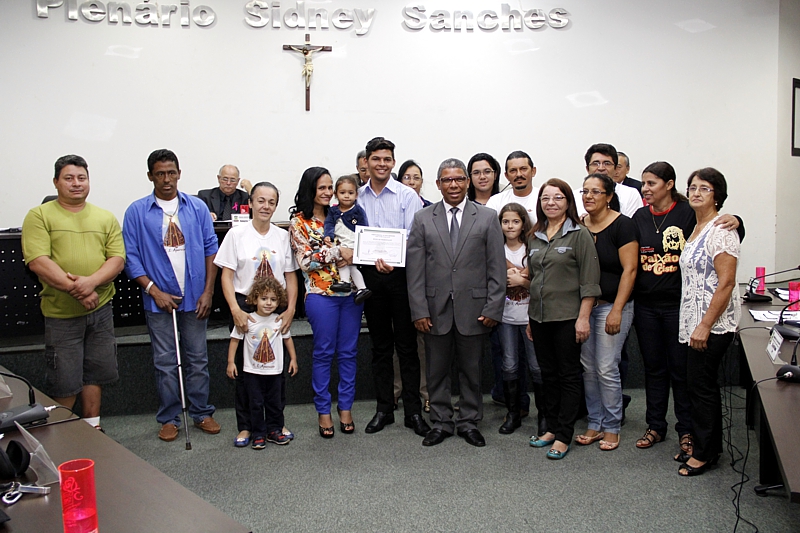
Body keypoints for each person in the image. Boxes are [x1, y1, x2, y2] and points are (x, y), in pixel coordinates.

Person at [631, 161, 742, 453]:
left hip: (679, 307)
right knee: (654, 369)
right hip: (646, 306)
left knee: (683, 372)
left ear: (669, 185)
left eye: (652, 183)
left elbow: (722, 234)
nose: (645, 189)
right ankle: (655, 426)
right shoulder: (640, 216)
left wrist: (738, 219)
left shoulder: (687, 213)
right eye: (643, 183)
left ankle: (688, 431)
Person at [21, 154, 125, 431]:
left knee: (96, 373)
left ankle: (92, 428)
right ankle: (64, 436)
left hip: (101, 310)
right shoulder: (39, 215)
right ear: (56, 182)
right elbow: (38, 261)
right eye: (69, 178)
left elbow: (116, 259)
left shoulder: (105, 217)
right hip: (62, 314)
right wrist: (78, 290)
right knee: (65, 378)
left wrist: (90, 284)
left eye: (81, 178)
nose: (76, 183)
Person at [123, 149, 221, 442]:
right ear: (150, 176)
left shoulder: (197, 208)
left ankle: (202, 412)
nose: (167, 180)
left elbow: (210, 248)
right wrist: (154, 290)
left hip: (195, 297)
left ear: (179, 173)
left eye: (172, 172)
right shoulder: (136, 212)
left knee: (197, 358)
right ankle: (169, 418)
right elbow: (131, 257)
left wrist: (208, 291)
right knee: (165, 361)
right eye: (160, 173)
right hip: (158, 300)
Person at [407, 158, 505, 447]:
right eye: (447, 180)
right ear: (438, 184)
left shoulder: (487, 217)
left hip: (474, 310)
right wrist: (419, 310)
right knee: (436, 371)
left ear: (467, 182)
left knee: (471, 371)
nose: (453, 185)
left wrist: (493, 307)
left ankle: (469, 421)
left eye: (459, 179)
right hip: (434, 311)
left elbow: (496, 268)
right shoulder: (423, 218)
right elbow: (415, 271)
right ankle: (440, 421)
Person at [355, 137, 430, 437]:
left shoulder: (407, 195)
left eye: (387, 159)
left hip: (402, 278)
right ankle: (384, 408)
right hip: (370, 278)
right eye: (376, 159)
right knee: (380, 347)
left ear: (393, 162)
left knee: (407, 346)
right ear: (367, 163)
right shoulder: (356, 197)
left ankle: (413, 411)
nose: (382, 164)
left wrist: (393, 260)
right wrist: (372, 260)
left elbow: (415, 238)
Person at [214, 181, 298, 447]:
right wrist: (235, 309)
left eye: (271, 202)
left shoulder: (282, 236)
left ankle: (275, 423)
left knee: (275, 370)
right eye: (260, 200)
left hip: (276, 305)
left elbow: (290, 276)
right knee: (245, 372)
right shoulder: (236, 235)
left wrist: (291, 308)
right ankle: (247, 426)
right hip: (244, 306)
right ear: (250, 202)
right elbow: (226, 276)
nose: (266, 206)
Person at [527, 178, 601, 460]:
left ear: (568, 202)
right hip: (539, 317)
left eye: (558, 198)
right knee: (548, 376)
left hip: (568, 318)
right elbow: (534, 280)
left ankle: (564, 435)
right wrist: (528, 319)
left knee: (568, 375)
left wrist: (583, 319)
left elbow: (590, 282)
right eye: (546, 198)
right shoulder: (534, 236)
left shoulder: (579, 234)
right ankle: (552, 428)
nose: (551, 203)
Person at [290, 167, 363, 438]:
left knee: (349, 353)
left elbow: (360, 245)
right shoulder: (299, 222)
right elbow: (306, 262)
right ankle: (323, 411)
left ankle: (345, 408)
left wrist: (353, 252)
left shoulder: (342, 214)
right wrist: (337, 252)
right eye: (322, 187)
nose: (328, 192)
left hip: (351, 295)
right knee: (323, 353)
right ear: (310, 189)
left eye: (330, 187)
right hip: (321, 296)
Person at [676, 168, 740, 476]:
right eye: (693, 187)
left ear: (718, 195)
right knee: (699, 386)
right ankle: (710, 446)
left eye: (705, 188)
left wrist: (704, 324)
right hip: (693, 323)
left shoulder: (722, 230)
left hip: (711, 325)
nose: (697, 192)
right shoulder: (696, 226)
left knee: (700, 387)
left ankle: (703, 453)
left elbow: (726, 283)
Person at [575, 174, 637, 451]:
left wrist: (618, 310)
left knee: (606, 366)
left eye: (596, 192)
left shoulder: (623, 225)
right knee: (588, 367)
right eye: (585, 191)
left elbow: (630, 270)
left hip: (613, 306)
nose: (589, 196)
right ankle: (595, 421)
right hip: (587, 306)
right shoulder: (578, 225)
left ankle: (612, 425)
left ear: (609, 196)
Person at [226, 277, 298, 450]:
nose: (268, 303)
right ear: (255, 299)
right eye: (264, 298)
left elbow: (288, 340)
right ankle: (258, 433)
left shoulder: (279, 320)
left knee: (276, 403)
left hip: (275, 372)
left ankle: (274, 430)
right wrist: (230, 362)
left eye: (273, 299)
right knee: (255, 403)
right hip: (252, 372)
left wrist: (293, 359)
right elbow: (235, 340)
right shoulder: (247, 319)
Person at [496, 203, 543, 436]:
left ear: (523, 223)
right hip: (506, 317)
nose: (510, 226)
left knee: (536, 366)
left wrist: (522, 281)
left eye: (515, 221)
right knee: (509, 364)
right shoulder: (496, 250)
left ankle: (544, 415)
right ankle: (513, 413)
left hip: (530, 317)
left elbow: (543, 283)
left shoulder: (533, 247)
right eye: (505, 222)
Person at [323, 175, 372, 303]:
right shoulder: (333, 211)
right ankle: (350, 284)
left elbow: (364, 228)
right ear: (335, 194)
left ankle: (359, 287)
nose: (346, 196)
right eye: (342, 192)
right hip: (340, 242)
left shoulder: (358, 211)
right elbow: (328, 223)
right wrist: (328, 235)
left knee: (352, 266)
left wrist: (360, 246)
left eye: (350, 193)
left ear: (356, 195)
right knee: (344, 264)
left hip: (353, 242)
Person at [578, 144, 642, 218]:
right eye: (595, 163)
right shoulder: (574, 196)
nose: (601, 168)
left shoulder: (631, 194)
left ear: (615, 169)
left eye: (607, 163)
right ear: (587, 169)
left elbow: (632, 226)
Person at [486, 150, 539, 220]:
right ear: (506, 176)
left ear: (533, 171)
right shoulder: (496, 202)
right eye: (513, 170)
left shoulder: (543, 199)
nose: (519, 174)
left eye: (523, 169)